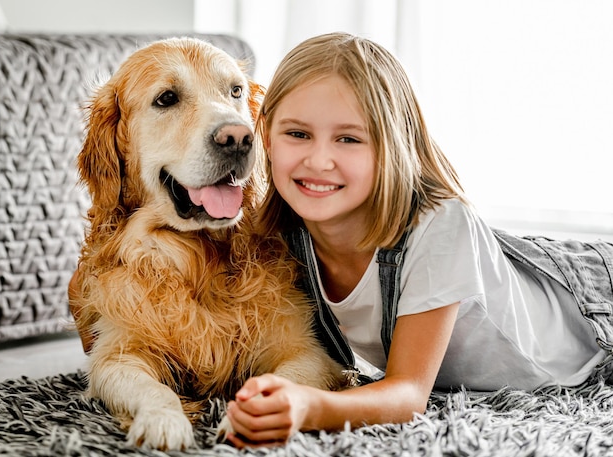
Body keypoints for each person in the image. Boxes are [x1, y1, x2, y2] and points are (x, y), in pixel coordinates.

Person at [69, 32, 613, 448]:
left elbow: (407, 394)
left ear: (392, 145)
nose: (229, 129)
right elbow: (112, 347)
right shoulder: (290, 214)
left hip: (582, 324)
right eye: (298, 134)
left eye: (235, 95)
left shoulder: (439, 225)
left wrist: (306, 406)